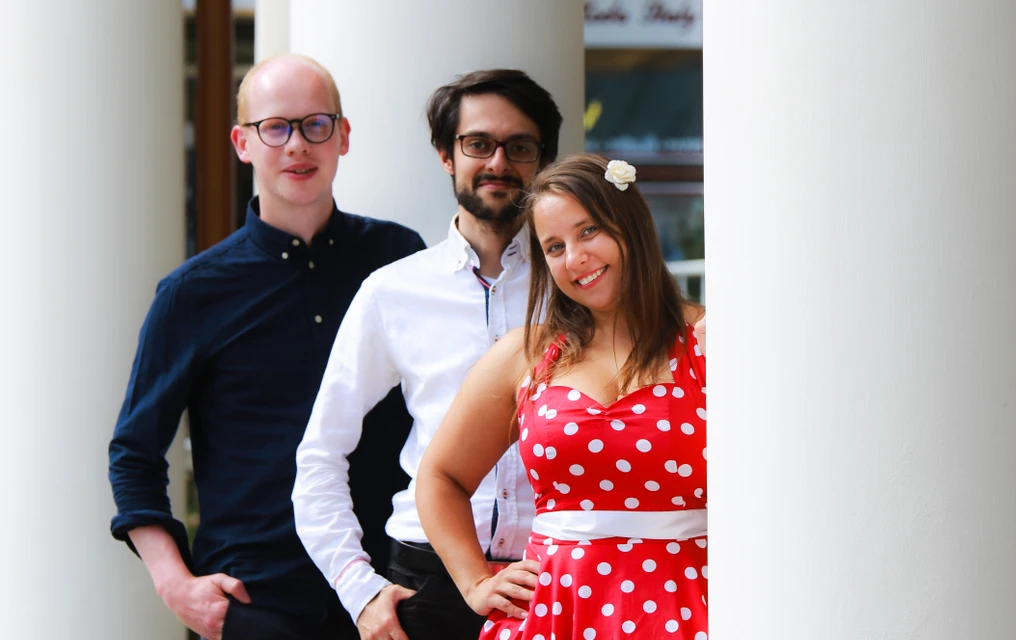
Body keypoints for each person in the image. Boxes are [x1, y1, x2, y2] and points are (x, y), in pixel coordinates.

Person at [108, 53, 425, 640]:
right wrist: (175, 585)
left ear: (343, 136)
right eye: (275, 127)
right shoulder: (192, 293)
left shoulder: (398, 259)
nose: (297, 145)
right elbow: (134, 454)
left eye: (315, 125)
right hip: (255, 604)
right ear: (242, 143)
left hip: (391, 595)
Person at [292, 69, 563, 640]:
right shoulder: (392, 291)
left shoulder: (578, 287)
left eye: (520, 147)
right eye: (478, 144)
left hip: (554, 576)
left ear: (542, 160)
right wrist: (359, 591)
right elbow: (319, 455)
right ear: (446, 155)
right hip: (429, 584)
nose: (498, 162)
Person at [415, 153, 709, 639]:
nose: (574, 259)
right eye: (554, 247)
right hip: (554, 614)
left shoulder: (708, 341)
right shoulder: (525, 355)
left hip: (688, 608)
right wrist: (474, 582)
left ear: (631, 224)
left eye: (588, 231)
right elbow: (439, 476)